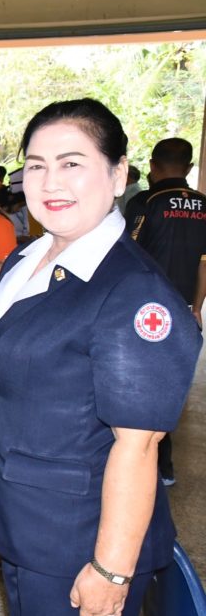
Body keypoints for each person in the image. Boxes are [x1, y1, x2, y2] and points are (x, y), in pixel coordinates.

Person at [0, 99, 201, 616]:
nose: (50, 181)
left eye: (72, 163)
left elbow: (138, 446)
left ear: (119, 174)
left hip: (82, 541)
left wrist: (111, 570)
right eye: (36, 165)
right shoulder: (27, 261)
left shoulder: (133, 290)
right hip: (27, 524)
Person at [125, 137, 205, 488]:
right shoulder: (203, 205)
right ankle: (165, 466)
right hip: (184, 308)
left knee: (140, 385)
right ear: (189, 167)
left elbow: (127, 254)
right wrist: (197, 308)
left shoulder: (146, 202)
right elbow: (204, 262)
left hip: (146, 309)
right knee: (170, 383)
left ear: (153, 166)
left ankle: (144, 462)